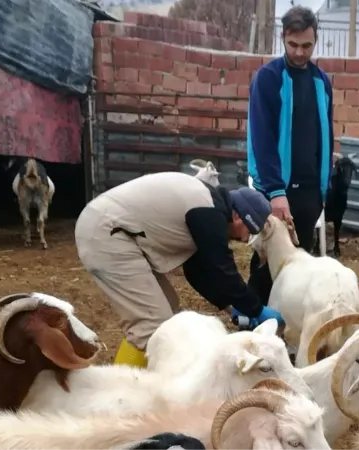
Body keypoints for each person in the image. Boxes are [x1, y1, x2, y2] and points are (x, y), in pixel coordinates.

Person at [74, 171, 285, 367]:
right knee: (154, 326)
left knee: (168, 307)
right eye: (248, 230)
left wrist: (230, 306)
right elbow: (222, 269)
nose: (244, 238)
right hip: (108, 232)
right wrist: (256, 309)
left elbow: (197, 272)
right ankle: (120, 393)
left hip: (115, 230)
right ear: (239, 216)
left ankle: (135, 377)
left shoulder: (208, 204)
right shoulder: (209, 213)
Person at [244, 5, 334, 309]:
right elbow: (262, 139)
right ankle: (252, 317)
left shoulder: (322, 81)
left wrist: (324, 187)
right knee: (266, 260)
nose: (299, 52)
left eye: (306, 45)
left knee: (299, 263)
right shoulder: (268, 78)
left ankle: (288, 319)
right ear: (283, 38)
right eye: (293, 45)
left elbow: (325, 135)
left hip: (310, 191)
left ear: (315, 41)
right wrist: (275, 192)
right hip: (276, 190)